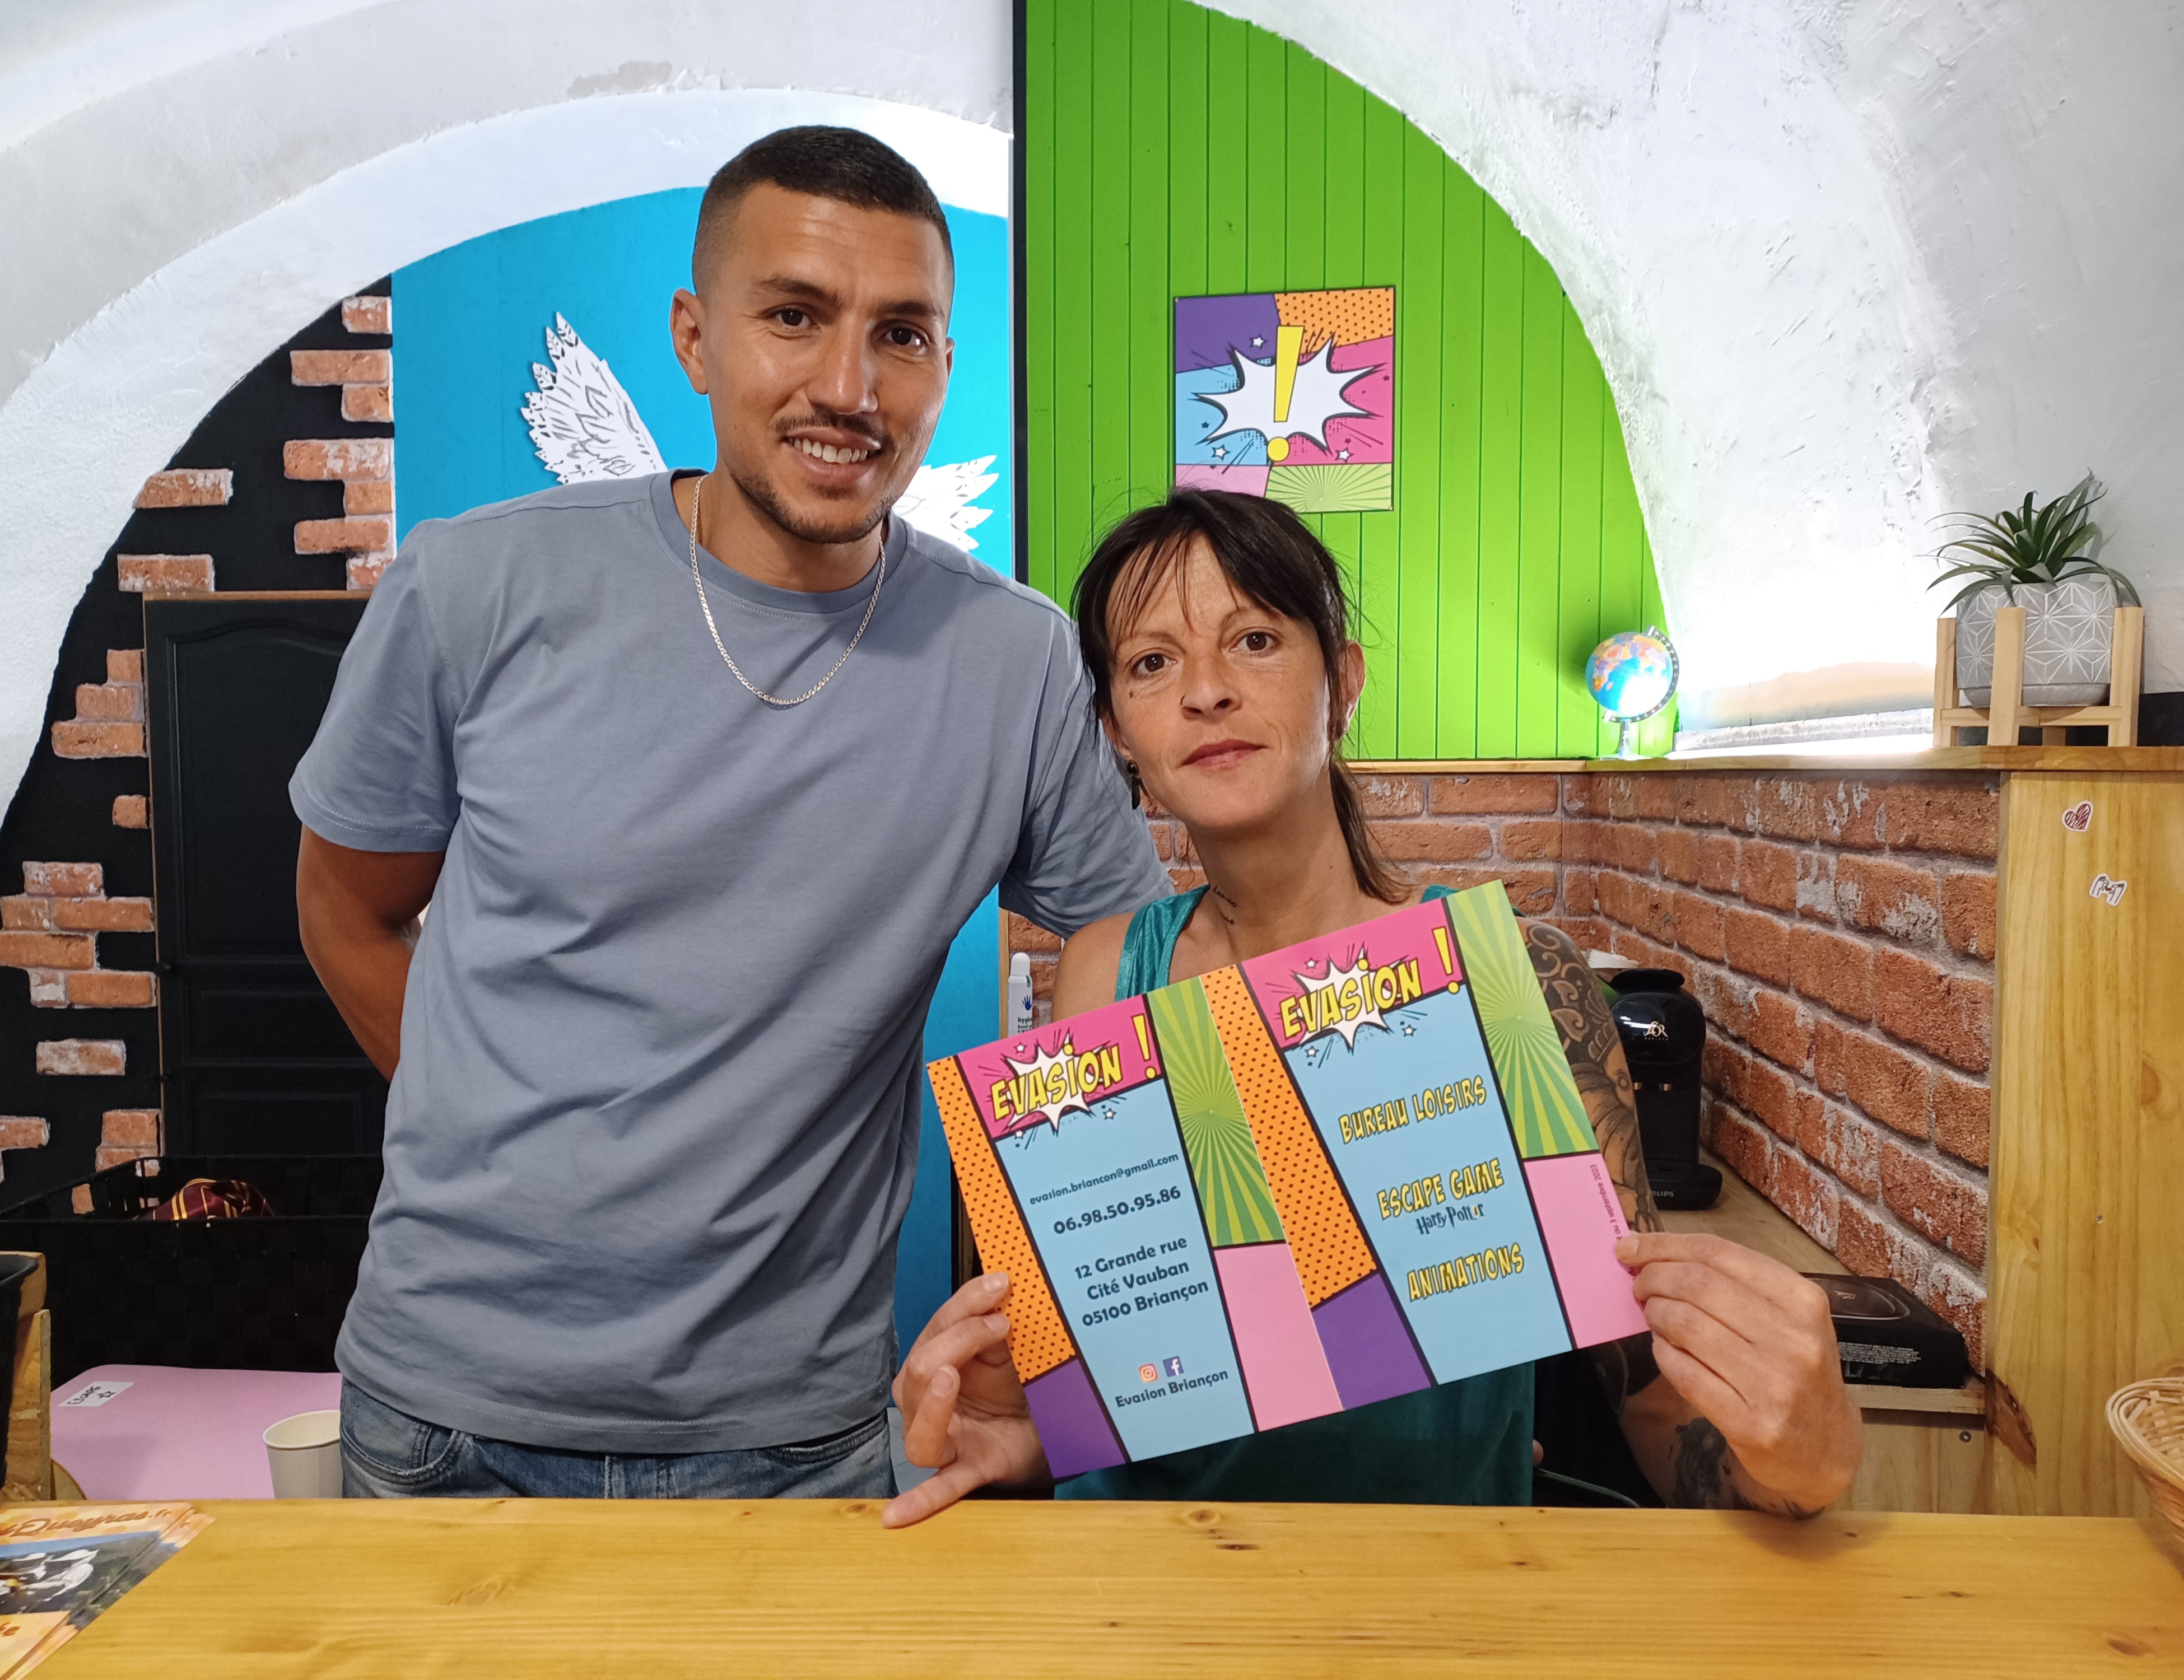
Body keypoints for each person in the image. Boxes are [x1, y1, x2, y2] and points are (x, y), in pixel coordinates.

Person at [290, 126, 1168, 1500]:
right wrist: (502, 1145)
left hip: (796, 1436)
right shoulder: (473, 589)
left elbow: (1129, 949)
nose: (846, 387)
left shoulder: (1014, 661)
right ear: (695, 340)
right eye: (793, 316)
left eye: (900, 335)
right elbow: (347, 910)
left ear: (944, 365)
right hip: (450, 1419)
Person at [883, 489, 1862, 1526]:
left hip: (1438, 1575)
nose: (1206, 691)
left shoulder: (1514, 982)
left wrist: (1796, 1460)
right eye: (1153, 662)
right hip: (1156, 1569)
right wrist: (1022, 1433)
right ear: (1117, 730)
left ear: (1342, 683)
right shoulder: (1105, 971)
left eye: (1255, 640)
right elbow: (1116, 1371)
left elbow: (1651, 1399)